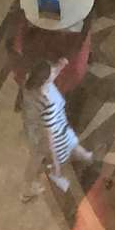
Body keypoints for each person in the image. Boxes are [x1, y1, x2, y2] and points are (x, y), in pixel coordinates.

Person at [20, 56, 93, 201]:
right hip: (49, 135)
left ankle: (85, 156)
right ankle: (28, 188)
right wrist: (56, 164)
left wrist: (60, 66)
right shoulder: (47, 103)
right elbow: (50, 136)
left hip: (43, 128)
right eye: (52, 71)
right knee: (39, 159)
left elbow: (49, 75)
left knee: (67, 145)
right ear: (45, 82)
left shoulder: (31, 81)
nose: (55, 70)